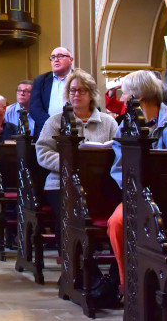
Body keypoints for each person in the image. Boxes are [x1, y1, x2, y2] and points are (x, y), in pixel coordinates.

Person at [107, 70, 167, 291]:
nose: (121, 99)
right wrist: (135, 193)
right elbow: (119, 168)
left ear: (138, 97)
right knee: (117, 222)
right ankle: (128, 284)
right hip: (138, 197)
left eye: (125, 94)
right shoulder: (125, 127)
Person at [35, 68, 118, 252]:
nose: (76, 94)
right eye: (72, 90)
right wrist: (68, 164)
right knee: (69, 214)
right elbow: (42, 151)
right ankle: (72, 266)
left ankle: (109, 269)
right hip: (60, 183)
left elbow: (118, 152)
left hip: (99, 183)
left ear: (91, 94)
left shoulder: (108, 122)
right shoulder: (55, 122)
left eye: (81, 90)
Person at [30, 47, 74, 138]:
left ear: (71, 59)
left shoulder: (80, 79)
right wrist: (51, 124)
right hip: (46, 131)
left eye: (60, 56)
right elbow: (34, 108)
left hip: (74, 129)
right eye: (53, 57)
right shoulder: (41, 80)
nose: (56, 60)